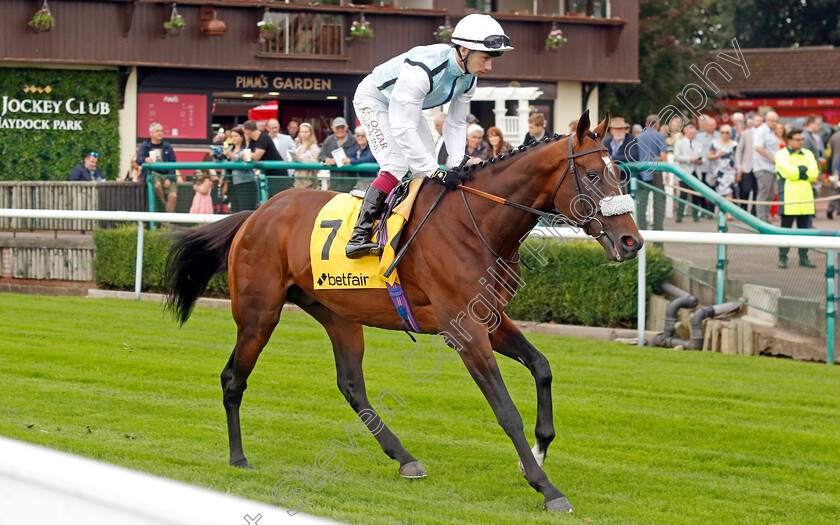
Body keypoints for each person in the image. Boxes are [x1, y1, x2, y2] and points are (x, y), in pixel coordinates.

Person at [346, 13, 513, 258]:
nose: (489, 67)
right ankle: (358, 236)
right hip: (375, 99)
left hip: (408, 106)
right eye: (486, 58)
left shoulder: (469, 79)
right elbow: (403, 127)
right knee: (396, 164)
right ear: (464, 50)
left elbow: (456, 124)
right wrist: (434, 169)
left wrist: (456, 165)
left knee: (425, 172)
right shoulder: (423, 69)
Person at [775, 128, 818, 268]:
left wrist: (798, 172)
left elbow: (814, 173)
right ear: (789, 140)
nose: (801, 142)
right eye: (798, 140)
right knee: (785, 230)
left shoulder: (808, 153)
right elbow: (787, 172)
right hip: (789, 198)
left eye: (802, 140)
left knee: (804, 231)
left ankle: (804, 258)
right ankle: (782, 257)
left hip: (806, 199)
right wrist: (802, 171)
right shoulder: (781, 154)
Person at [632, 114, 668, 231]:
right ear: (657, 125)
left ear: (646, 124)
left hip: (641, 173)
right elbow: (663, 155)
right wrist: (667, 173)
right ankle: (658, 232)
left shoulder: (638, 137)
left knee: (641, 204)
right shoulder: (660, 136)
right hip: (656, 173)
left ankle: (641, 229)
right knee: (659, 203)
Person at [137, 122, 178, 213]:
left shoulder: (168, 147)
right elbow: (138, 160)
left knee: (173, 196)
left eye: (161, 131)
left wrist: (169, 178)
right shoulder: (145, 146)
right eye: (157, 131)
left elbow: (173, 164)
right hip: (152, 174)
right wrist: (145, 159)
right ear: (151, 133)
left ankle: (168, 222)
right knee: (157, 184)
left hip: (167, 174)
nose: (160, 133)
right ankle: (163, 202)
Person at [243, 119, 288, 192]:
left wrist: (248, 154)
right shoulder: (252, 141)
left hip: (278, 174)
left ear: (247, 131)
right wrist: (247, 144)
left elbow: (256, 156)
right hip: (267, 174)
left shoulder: (264, 137)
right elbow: (246, 156)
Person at [752, 111, 781, 222]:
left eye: (776, 121)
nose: (775, 123)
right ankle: (761, 220)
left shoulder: (771, 132)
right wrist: (771, 157)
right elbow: (758, 147)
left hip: (772, 168)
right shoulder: (761, 131)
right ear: (766, 120)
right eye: (772, 121)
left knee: (771, 193)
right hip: (763, 167)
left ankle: (766, 217)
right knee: (764, 193)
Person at [673, 123, 704, 222]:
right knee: (683, 195)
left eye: (694, 134)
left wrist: (700, 160)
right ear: (686, 132)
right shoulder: (679, 143)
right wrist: (690, 159)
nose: (693, 136)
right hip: (684, 172)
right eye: (691, 134)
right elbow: (676, 156)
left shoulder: (699, 144)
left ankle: (695, 215)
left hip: (695, 171)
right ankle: (679, 215)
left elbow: (703, 157)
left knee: (696, 195)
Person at [224, 127, 258, 212]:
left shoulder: (246, 148)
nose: (233, 138)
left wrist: (230, 155)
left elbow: (241, 158)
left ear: (241, 137)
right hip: (232, 182)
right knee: (234, 209)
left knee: (245, 209)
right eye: (232, 136)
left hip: (245, 182)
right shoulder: (230, 149)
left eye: (236, 136)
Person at [319, 116, 358, 190]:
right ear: (333, 128)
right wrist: (327, 159)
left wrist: (350, 160)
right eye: (337, 128)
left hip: (351, 180)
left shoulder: (354, 140)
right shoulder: (329, 140)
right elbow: (321, 155)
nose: (340, 130)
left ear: (347, 127)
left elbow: (360, 157)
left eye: (342, 127)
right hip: (335, 180)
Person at [708, 124, 738, 218]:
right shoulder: (715, 143)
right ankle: (722, 212)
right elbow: (709, 156)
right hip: (719, 171)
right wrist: (718, 155)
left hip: (730, 171)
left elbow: (737, 157)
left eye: (727, 132)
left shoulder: (734, 144)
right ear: (720, 133)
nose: (725, 134)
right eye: (723, 132)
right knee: (721, 192)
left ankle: (728, 213)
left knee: (729, 192)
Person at [734, 114, 761, 216]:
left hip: (759, 167)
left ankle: (754, 214)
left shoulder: (763, 134)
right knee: (745, 189)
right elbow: (739, 151)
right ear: (753, 122)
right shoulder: (746, 134)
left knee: (757, 191)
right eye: (757, 120)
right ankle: (743, 211)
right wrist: (739, 167)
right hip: (747, 167)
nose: (758, 123)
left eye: (760, 121)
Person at [603, 117, 636, 190]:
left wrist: (611, 158)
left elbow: (632, 157)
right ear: (611, 131)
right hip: (610, 180)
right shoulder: (606, 142)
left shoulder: (631, 139)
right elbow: (601, 158)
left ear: (625, 130)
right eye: (616, 129)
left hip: (627, 180)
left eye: (621, 129)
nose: (619, 131)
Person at [341, 126, 377, 191]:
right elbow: (349, 156)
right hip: (357, 181)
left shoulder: (372, 147)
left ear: (367, 137)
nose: (360, 138)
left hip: (371, 181)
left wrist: (351, 160)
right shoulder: (357, 147)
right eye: (358, 136)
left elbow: (368, 159)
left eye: (363, 136)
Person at [695, 116, 719, 213]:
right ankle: (704, 209)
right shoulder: (698, 136)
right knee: (701, 190)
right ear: (705, 126)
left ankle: (711, 211)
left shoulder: (719, 136)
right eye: (709, 125)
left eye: (713, 125)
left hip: (714, 168)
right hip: (702, 167)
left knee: (712, 190)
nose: (711, 127)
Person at [291, 122, 321, 189]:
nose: (304, 134)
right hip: (297, 178)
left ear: (310, 133)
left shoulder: (314, 147)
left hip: (309, 179)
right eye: (302, 132)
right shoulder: (297, 146)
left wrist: (302, 160)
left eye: (306, 132)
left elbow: (317, 162)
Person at [826, 124, 840, 219]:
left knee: (836, 190)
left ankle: (831, 209)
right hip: (837, 166)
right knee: (836, 190)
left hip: (835, 164)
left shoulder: (834, 136)